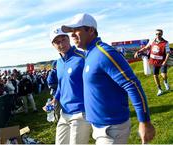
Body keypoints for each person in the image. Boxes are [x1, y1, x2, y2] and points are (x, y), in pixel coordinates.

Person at [61, 13, 155, 144]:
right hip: (100, 126)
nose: (72, 34)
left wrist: (144, 121)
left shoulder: (104, 53)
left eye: (77, 30)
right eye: (71, 31)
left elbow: (132, 85)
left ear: (91, 30)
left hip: (112, 129)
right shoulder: (90, 53)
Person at [43, 27, 90, 144]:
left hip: (81, 113)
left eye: (63, 39)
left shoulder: (83, 57)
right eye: (57, 42)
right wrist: (55, 99)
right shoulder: (58, 63)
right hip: (64, 113)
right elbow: (61, 84)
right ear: (53, 45)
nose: (61, 44)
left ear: (69, 39)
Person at [134, 29, 170, 96]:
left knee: (164, 75)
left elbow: (168, 53)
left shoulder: (165, 42)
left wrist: (165, 61)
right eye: (156, 34)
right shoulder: (152, 40)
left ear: (162, 34)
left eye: (159, 34)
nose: (158, 35)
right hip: (154, 61)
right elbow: (146, 47)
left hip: (162, 61)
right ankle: (160, 89)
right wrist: (138, 51)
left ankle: (165, 82)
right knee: (155, 75)